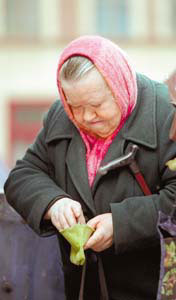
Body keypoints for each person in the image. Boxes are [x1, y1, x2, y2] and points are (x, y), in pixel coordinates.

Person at [4, 35, 176, 300]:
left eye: (96, 105)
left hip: (153, 287)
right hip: (84, 288)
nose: (85, 117)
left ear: (120, 87)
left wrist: (120, 225)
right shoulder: (60, 117)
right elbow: (23, 175)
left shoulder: (167, 114)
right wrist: (54, 203)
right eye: (75, 106)